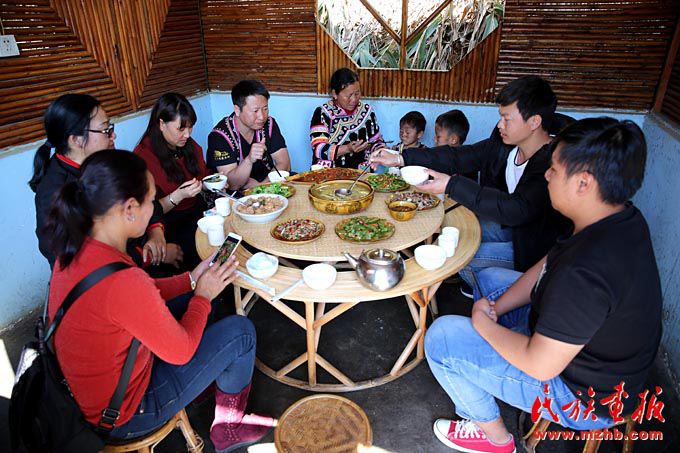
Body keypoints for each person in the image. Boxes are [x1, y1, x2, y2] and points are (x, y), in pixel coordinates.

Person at [424, 118, 661, 453]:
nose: (546, 175)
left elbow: (541, 364)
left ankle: (494, 438)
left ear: (583, 182)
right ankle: (483, 368)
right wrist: (497, 308)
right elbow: (548, 263)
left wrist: (483, 324)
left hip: (583, 395)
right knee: (490, 279)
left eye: (554, 169)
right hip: (584, 352)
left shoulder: (586, 272)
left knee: (441, 338)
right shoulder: (618, 217)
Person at [46, 150, 274, 452]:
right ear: (130, 208)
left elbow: (141, 294)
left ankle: (201, 384)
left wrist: (191, 280)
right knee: (241, 332)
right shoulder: (123, 281)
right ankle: (228, 429)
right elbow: (181, 350)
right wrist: (203, 295)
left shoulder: (78, 248)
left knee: (200, 302)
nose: (154, 209)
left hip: (89, 392)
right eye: (151, 201)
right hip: (127, 412)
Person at [371, 76, 571, 300]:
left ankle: (505, 297)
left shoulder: (557, 161)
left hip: (536, 248)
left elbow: (518, 209)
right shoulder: (505, 145)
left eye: (506, 119)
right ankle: (483, 283)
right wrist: (400, 158)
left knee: (465, 258)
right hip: (511, 227)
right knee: (457, 232)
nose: (499, 125)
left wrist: (451, 184)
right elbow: (459, 156)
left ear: (534, 122)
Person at [29, 93, 177, 270]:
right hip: (116, 272)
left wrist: (156, 231)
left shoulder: (107, 159)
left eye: (110, 127)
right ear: (76, 140)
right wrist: (149, 257)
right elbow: (82, 263)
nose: (113, 135)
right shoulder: (53, 192)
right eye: (106, 130)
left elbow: (146, 196)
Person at [135, 92, 208, 269]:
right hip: (170, 224)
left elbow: (203, 176)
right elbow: (147, 210)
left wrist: (211, 183)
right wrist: (178, 196)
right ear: (162, 124)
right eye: (181, 129)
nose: (187, 135)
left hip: (198, 212)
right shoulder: (144, 157)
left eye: (190, 128)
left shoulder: (187, 146)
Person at [207, 80, 290, 190]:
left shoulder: (269, 124)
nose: (262, 116)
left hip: (268, 184)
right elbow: (231, 184)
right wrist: (249, 160)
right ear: (237, 110)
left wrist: (263, 187)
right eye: (255, 111)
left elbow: (284, 163)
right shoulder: (220, 136)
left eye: (265, 109)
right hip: (237, 194)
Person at [310, 67, 386, 169]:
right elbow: (319, 149)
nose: (354, 99)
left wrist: (379, 151)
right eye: (348, 95)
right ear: (335, 94)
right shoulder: (323, 113)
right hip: (329, 173)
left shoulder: (367, 111)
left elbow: (376, 141)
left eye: (357, 93)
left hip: (361, 173)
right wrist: (347, 148)